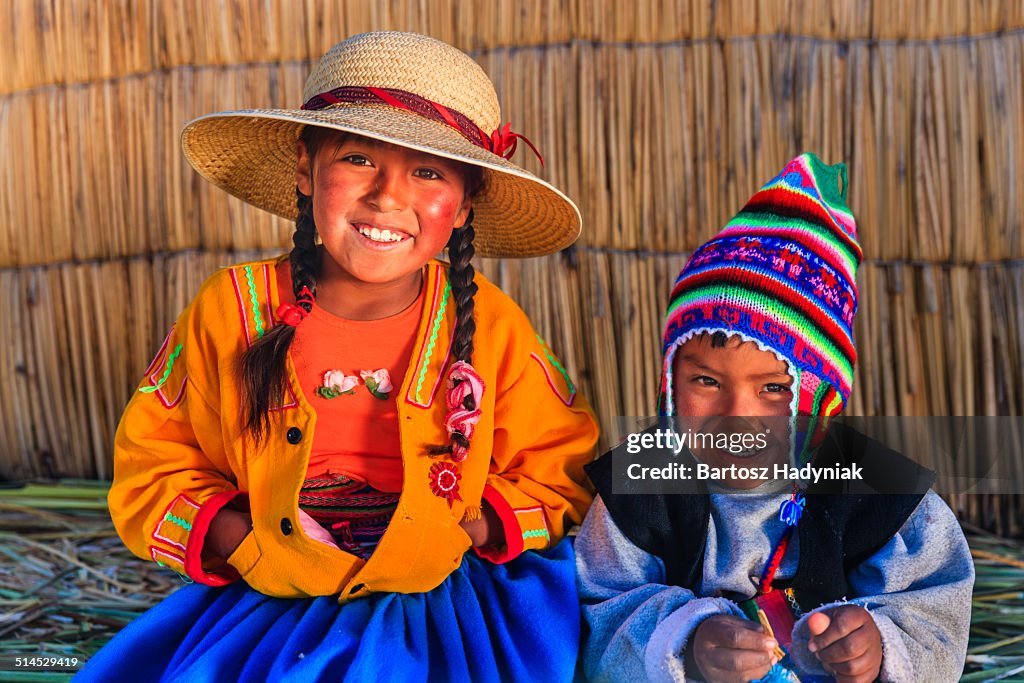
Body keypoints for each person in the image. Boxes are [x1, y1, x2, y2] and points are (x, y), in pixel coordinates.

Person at [79, 31, 598, 682]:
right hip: (273, 594)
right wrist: (242, 539)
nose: (387, 196)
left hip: (442, 600)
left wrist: (466, 531)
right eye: (358, 158)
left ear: (465, 200)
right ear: (306, 168)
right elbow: (153, 464)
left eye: (428, 170)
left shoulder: (490, 325)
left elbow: (561, 468)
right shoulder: (231, 311)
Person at [576, 154, 974, 682]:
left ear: (822, 399)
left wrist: (880, 645)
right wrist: (687, 643)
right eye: (706, 382)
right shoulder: (639, 491)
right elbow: (599, 615)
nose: (736, 416)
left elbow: (937, 612)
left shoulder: (880, 492)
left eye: (773, 389)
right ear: (667, 385)